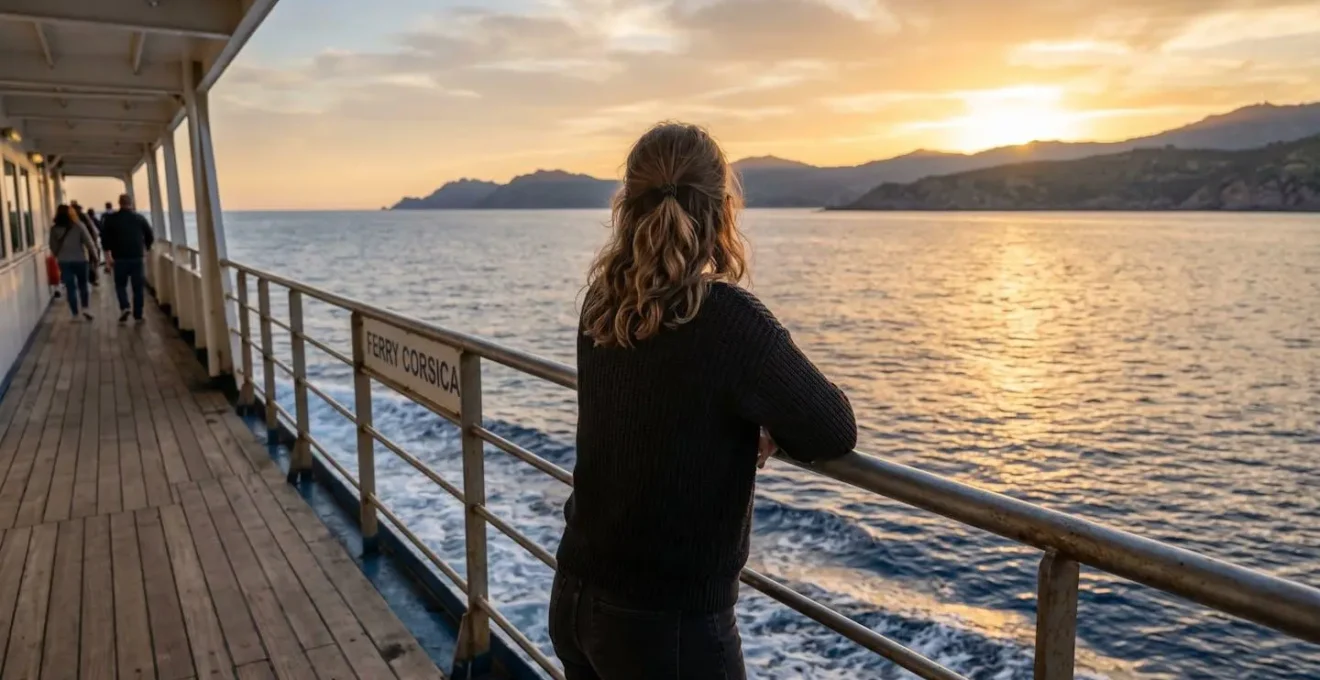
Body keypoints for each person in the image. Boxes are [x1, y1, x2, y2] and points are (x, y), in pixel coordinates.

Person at [548, 122, 857, 680]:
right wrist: (761, 418)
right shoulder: (729, 321)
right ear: (722, 209)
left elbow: (657, 402)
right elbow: (832, 430)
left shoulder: (603, 305)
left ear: (628, 205)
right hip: (664, 628)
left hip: (575, 595)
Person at [100, 193, 155, 323]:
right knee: (138, 288)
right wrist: (145, 248)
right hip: (137, 257)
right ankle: (138, 315)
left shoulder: (111, 219)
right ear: (131, 203)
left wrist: (108, 258)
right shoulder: (139, 218)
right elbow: (150, 235)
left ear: (119, 203)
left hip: (119, 258)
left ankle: (125, 307)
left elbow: (105, 240)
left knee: (120, 285)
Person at [49, 204, 98, 320]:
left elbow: (52, 246)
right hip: (81, 260)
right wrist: (95, 256)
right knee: (83, 285)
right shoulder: (79, 225)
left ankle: (75, 314)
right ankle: (85, 308)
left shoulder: (54, 229)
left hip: (64, 261)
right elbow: (89, 242)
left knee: (70, 287)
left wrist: (57, 255)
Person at [71, 201, 102, 287]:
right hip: (88, 242)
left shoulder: (69, 220)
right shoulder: (84, 217)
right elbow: (93, 230)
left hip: (75, 246)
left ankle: (84, 279)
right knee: (91, 261)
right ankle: (93, 279)